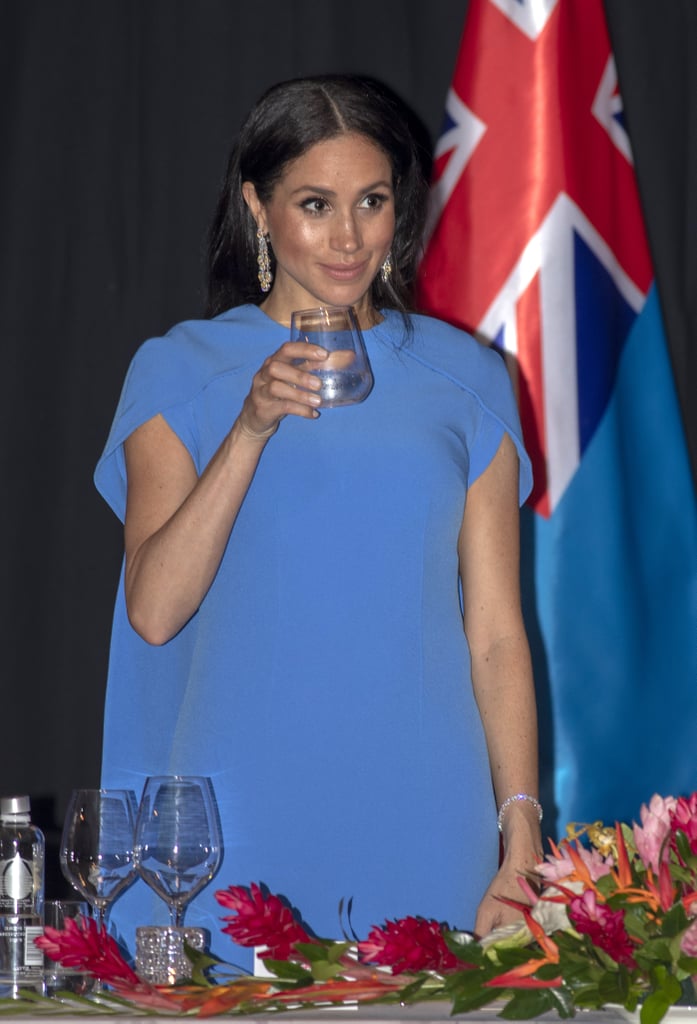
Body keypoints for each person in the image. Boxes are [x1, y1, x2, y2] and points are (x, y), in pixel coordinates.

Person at [95, 74, 542, 969]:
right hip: (230, 826)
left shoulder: (469, 380)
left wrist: (520, 833)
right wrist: (249, 427)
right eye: (314, 204)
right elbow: (154, 610)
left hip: (423, 808)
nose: (348, 238)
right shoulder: (179, 369)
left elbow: (494, 633)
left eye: (371, 202)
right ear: (257, 206)